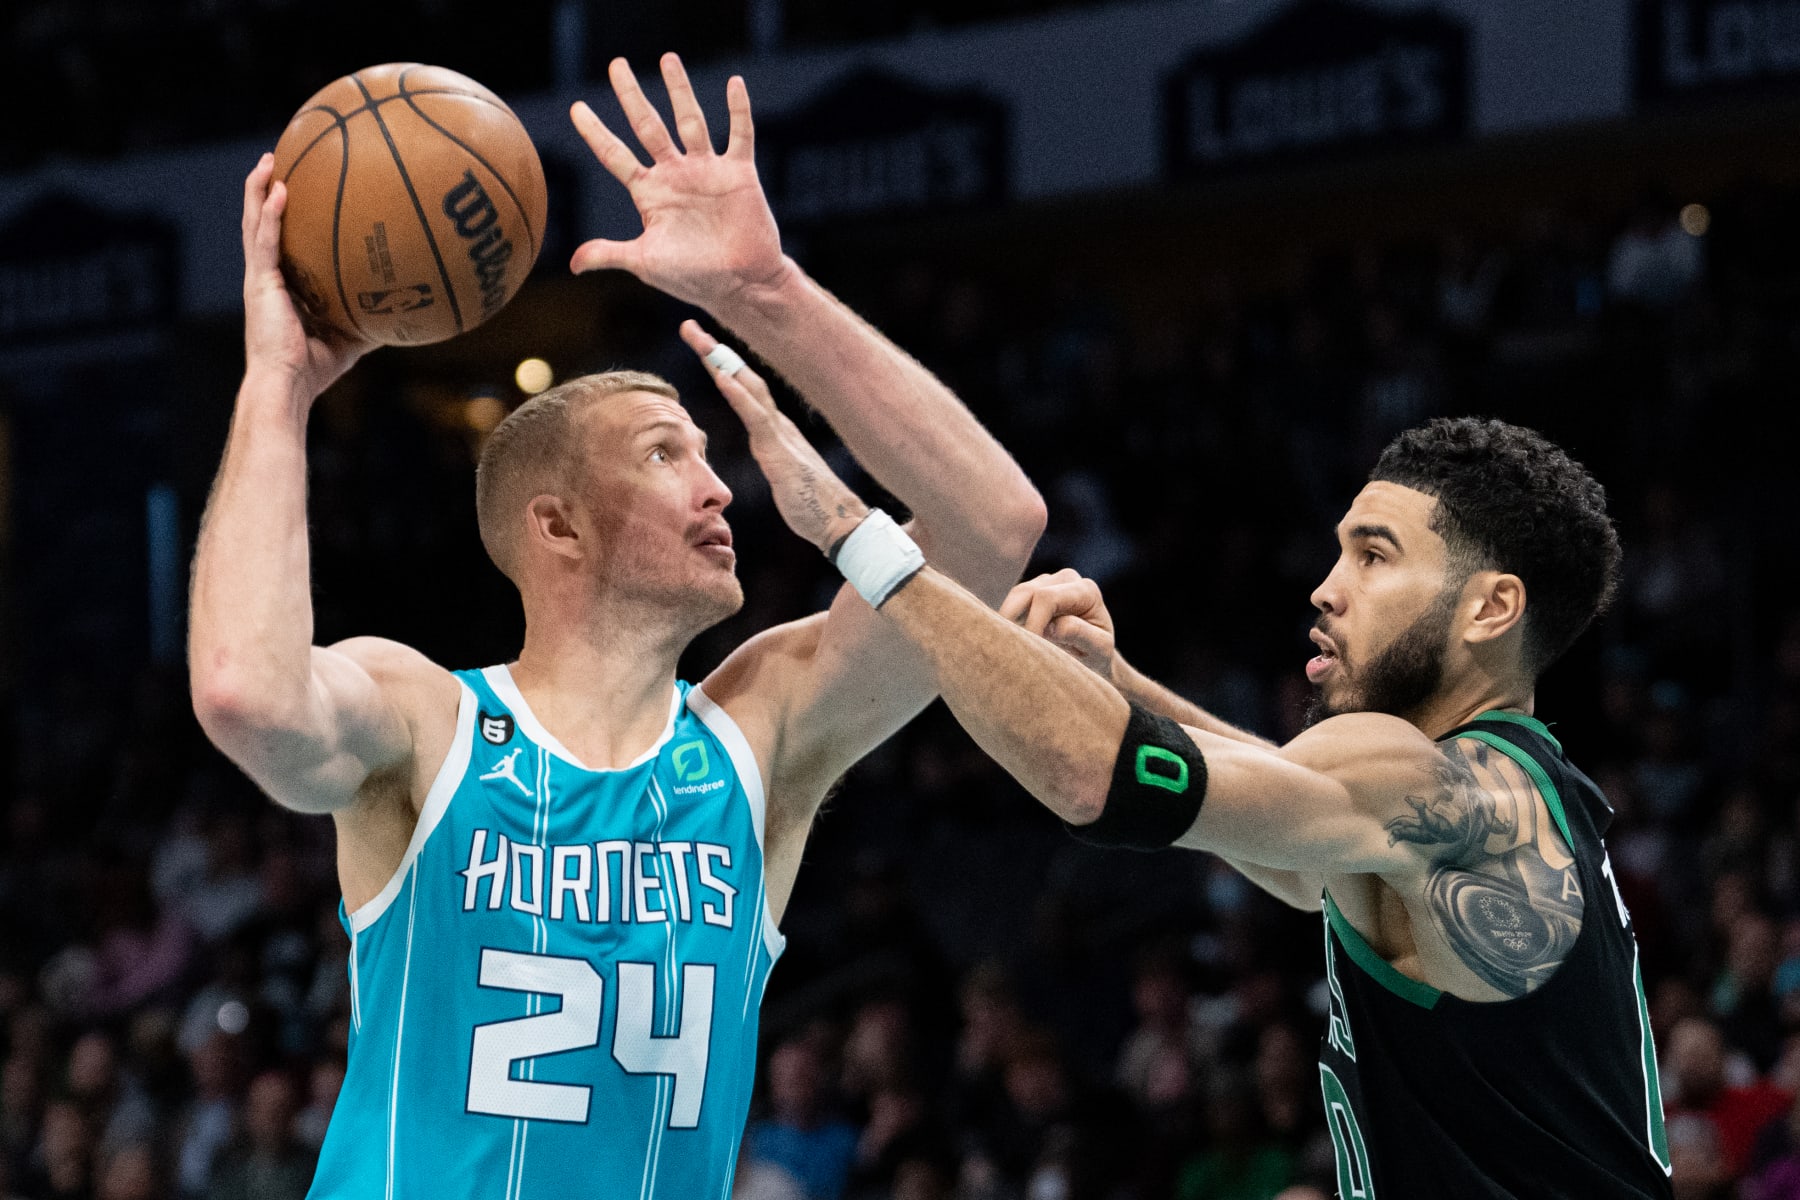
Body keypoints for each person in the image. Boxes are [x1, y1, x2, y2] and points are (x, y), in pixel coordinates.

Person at [188, 53, 1044, 1196]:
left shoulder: (759, 735)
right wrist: (278, 386)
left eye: (707, 454)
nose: (721, 487)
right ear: (557, 526)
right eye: (664, 454)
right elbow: (247, 689)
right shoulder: (427, 721)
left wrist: (765, 292)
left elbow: (992, 531)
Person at [707, 378, 1671, 1197]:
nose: (1325, 587)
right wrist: (1117, 682)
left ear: (1492, 607)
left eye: (1374, 556)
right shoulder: (1482, 802)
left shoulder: (1453, 795)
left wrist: (857, 541)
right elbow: (1291, 829)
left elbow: (1104, 778)